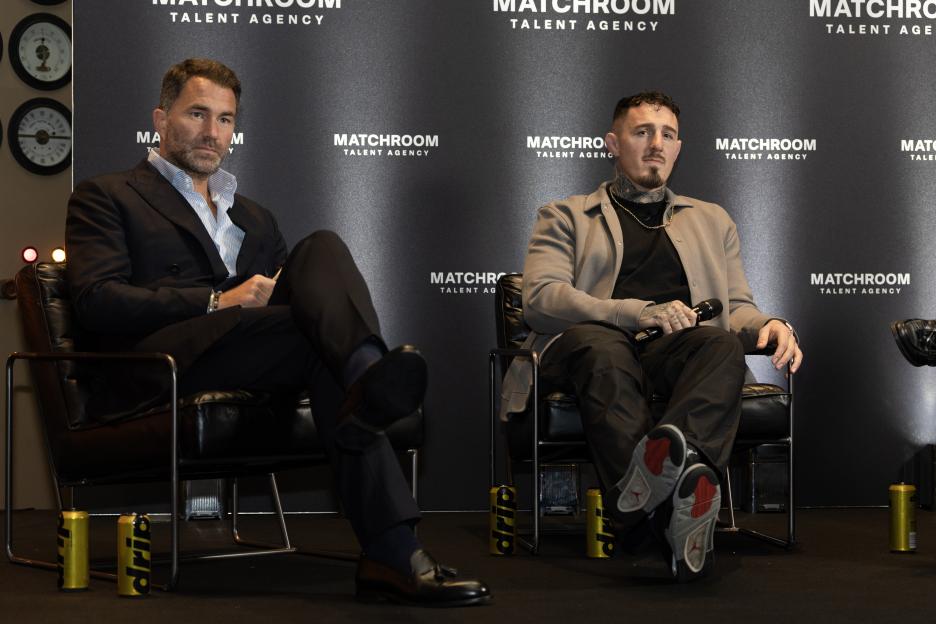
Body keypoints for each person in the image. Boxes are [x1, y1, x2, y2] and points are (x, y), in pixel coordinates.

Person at [65, 58, 490, 607]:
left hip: (260, 352)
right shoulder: (107, 196)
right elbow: (97, 302)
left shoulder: (255, 217)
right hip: (167, 363)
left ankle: (366, 386)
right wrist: (217, 299)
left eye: (225, 119)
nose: (212, 131)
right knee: (320, 345)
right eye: (197, 113)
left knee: (322, 248)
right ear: (161, 119)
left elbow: (304, 299)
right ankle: (393, 542)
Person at [500, 91, 803, 581]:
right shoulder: (565, 215)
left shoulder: (712, 220)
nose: (655, 144)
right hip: (584, 348)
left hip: (671, 353)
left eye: (666, 135)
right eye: (642, 132)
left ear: (678, 148)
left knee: (720, 342)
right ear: (613, 144)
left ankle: (666, 494)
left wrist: (769, 325)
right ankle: (671, 512)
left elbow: (735, 310)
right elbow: (543, 298)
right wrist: (636, 313)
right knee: (604, 345)